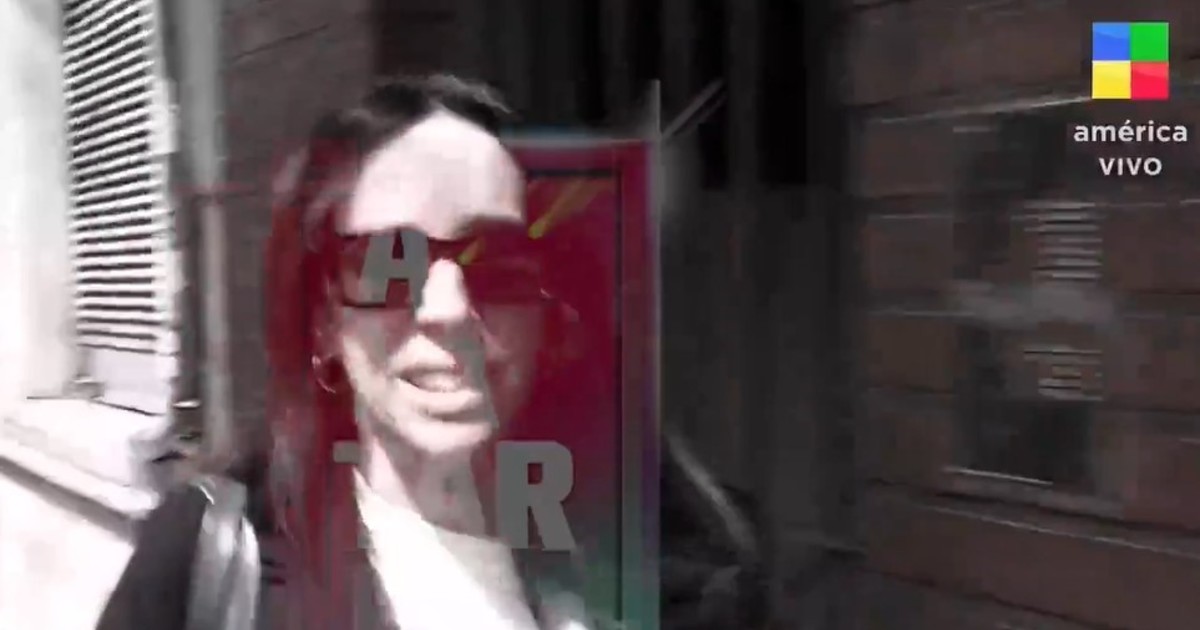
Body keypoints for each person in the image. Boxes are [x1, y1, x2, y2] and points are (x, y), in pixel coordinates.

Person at [95, 74, 763, 630]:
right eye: (389, 263)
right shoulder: (207, 557)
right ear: (324, 323)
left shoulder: (681, 567)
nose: (446, 309)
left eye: (497, 260)